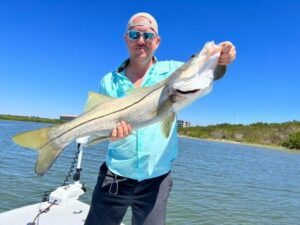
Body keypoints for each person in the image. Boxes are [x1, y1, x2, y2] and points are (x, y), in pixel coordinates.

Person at [84, 12, 236, 225]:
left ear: (157, 41)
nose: (141, 40)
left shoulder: (173, 70)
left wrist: (221, 59)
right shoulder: (108, 81)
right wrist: (110, 134)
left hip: (156, 180)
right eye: (134, 34)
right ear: (126, 39)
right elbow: (98, 128)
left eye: (147, 35)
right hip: (115, 176)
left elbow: (210, 73)